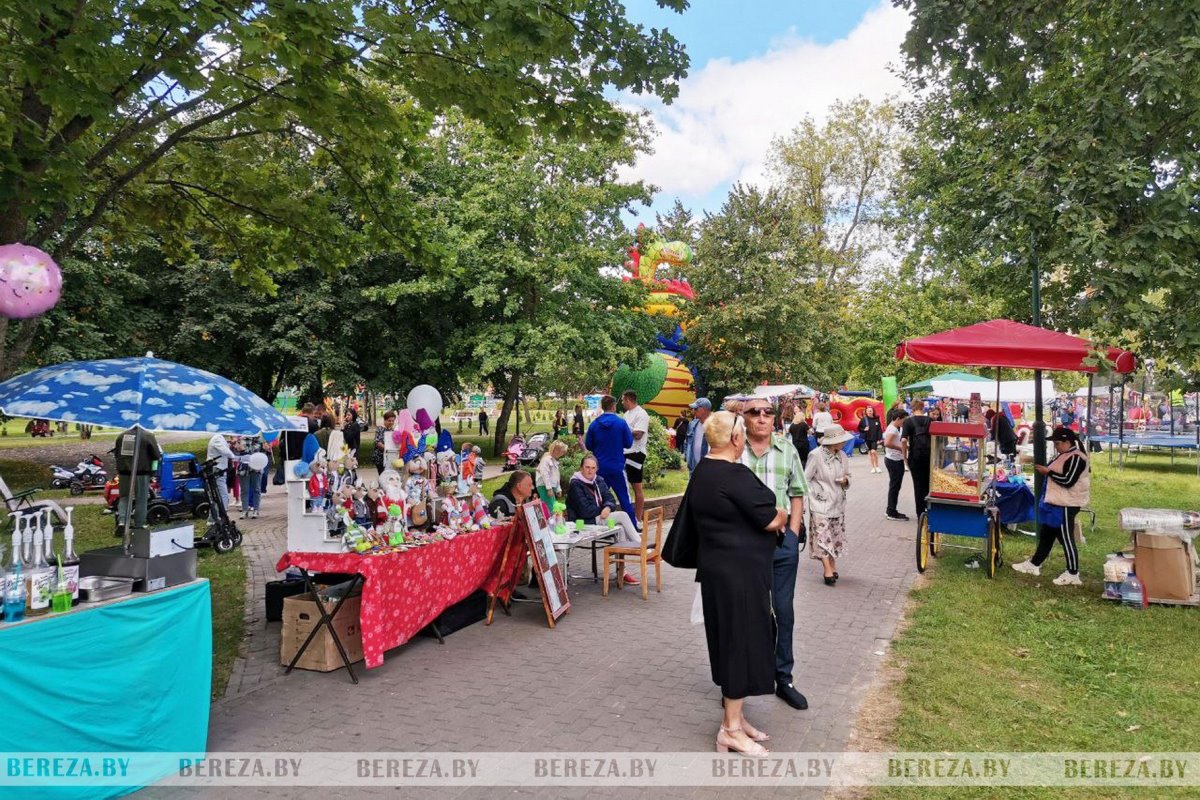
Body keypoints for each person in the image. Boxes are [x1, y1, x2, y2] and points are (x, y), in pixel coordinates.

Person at [668, 410, 786, 756]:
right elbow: (770, 517)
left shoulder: (703, 470)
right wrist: (779, 516)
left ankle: (736, 718)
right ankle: (731, 730)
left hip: (719, 573)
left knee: (728, 641)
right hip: (740, 577)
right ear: (736, 439)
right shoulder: (734, 474)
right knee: (740, 644)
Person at [738, 396, 810, 711]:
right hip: (742, 548)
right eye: (755, 412)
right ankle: (736, 682)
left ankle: (784, 679)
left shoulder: (787, 450)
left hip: (781, 547)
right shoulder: (733, 454)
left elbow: (797, 494)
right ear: (745, 417)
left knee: (784, 612)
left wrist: (793, 535)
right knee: (744, 615)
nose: (762, 417)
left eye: (768, 412)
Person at [1012, 428, 1089, 585]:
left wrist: (1048, 472)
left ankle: (1073, 573)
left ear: (1068, 442)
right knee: (1047, 535)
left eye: (1058, 443)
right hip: (1056, 502)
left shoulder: (1077, 457)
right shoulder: (1064, 455)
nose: (1056, 446)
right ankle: (1034, 564)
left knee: (1066, 538)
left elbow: (1068, 481)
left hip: (1067, 504)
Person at [565, 456, 641, 585]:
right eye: (587, 467)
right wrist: (603, 510)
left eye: (593, 468)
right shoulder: (575, 484)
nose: (590, 471)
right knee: (622, 516)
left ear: (597, 469)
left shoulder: (598, 480)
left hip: (598, 518)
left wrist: (607, 507)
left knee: (621, 529)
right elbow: (585, 510)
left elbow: (610, 498)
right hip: (583, 523)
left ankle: (621, 572)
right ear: (581, 468)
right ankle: (641, 547)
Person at [805, 427, 851, 586]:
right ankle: (827, 569)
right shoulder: (816, 455)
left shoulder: (843, 455)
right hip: (820, 504)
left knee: (834, 535)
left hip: (837, 503)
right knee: (822, 536)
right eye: (842, 440)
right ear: (834, 441)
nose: (845, 442)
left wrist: (845, 481)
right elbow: (806, 479)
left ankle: (832, 564)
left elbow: (848, 476)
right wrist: (818, 492)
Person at [584, 395, 637, 525]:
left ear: (602, 407)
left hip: (599, 468)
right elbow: (629, 443)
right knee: (625, 498)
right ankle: (632, 527)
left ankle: (600, 527)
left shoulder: (594, 424)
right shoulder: (621, 423)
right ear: (614, 406)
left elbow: (588, 445)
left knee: (599, 499)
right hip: (617, 467)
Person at [113, 426, 161, 531]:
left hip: (124, 472)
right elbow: (156, 455)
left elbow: (116, 454)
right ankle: (139, 524)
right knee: (141, 498)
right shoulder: (148, 436)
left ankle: (122, 521)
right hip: (141, 473)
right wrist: (153, 471)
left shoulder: (121, 436)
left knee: (124, 497)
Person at [620, 390, 650, 522]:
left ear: (628, 400)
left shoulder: (641, 414)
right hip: (625, 452)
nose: (622, 403)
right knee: (624, 486)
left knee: (636, 487)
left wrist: (625, 430)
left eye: (622, 400)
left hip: (636, 453)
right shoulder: (626, 414)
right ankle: (628, 517)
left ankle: (638, 519)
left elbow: (638, 434)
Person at [900, 400, 932, 518]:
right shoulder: (930, 420)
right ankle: (930, 511)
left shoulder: (908, 422)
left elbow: (903, 440)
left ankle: (920, 515)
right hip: (929, 457)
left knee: (918, 486)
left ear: (912, 408)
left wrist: (904, 457)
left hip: (915, 457)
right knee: (928, 485)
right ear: (923, 408)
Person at [206, 433, 241, 523]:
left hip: (218, 468)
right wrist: (234, 457)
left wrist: (230, 444)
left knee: (217, 495)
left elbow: (224, 448)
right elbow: (225, 451)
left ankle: (215, 517)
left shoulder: (219, 438)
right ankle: (222, 516)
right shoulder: (217, 438)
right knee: (222, 494)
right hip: (217, 468)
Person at [883, 410, 909, 521]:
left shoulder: (893, 427)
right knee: (895, 486)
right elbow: (887, 443)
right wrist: (902, 448)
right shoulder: (893, 429)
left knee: (894, 486)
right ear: (898, 418)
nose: (904, 422)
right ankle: (891, 512)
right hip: (894, 460)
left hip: (893, 459)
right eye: (904, 420)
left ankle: (891, 509)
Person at [535, 440, 567, 507]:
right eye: (558, 450)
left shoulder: (554, 461)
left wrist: (558, 489)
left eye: (562, 451)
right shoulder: (546, 460)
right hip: (544, 486)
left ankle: (552, 516)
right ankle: (550, 517)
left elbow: (556, 477)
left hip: (550, 486)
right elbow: (545, 474)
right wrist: (549, 488)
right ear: (553, 449)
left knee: (552, 505)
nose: (560, 453)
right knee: (549, 506)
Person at [684, 397, 712, 472]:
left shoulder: (714, 426)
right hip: (692, 467)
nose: (693, 411)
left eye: (695, 409)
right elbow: (686, 442)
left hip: (707, 469)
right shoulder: (692, 424)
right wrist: (687, 456)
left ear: (703, 410)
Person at [857, 405, 883, 474]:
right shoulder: (864, 419)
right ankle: (873, 467)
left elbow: (879, 429)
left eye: (871, 411)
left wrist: (880, 438)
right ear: (866, 412)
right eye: (868, 411)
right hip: (867, 438)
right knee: (870, 453)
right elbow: (859, 428)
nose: (869, 412)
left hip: (875, 439)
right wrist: (864, 429)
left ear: (873, 411)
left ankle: (877, 466)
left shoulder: (876, 419)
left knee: (874, 451)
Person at [374, 410, 397, 474]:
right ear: (384, 420)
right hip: (380, 458)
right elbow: (378, 443)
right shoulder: (380, 429)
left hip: (390, 457)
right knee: (383, 476)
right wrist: (387, 449)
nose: (391, 422)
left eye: (393, 421)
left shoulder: (393, 430)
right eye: (389, 420)